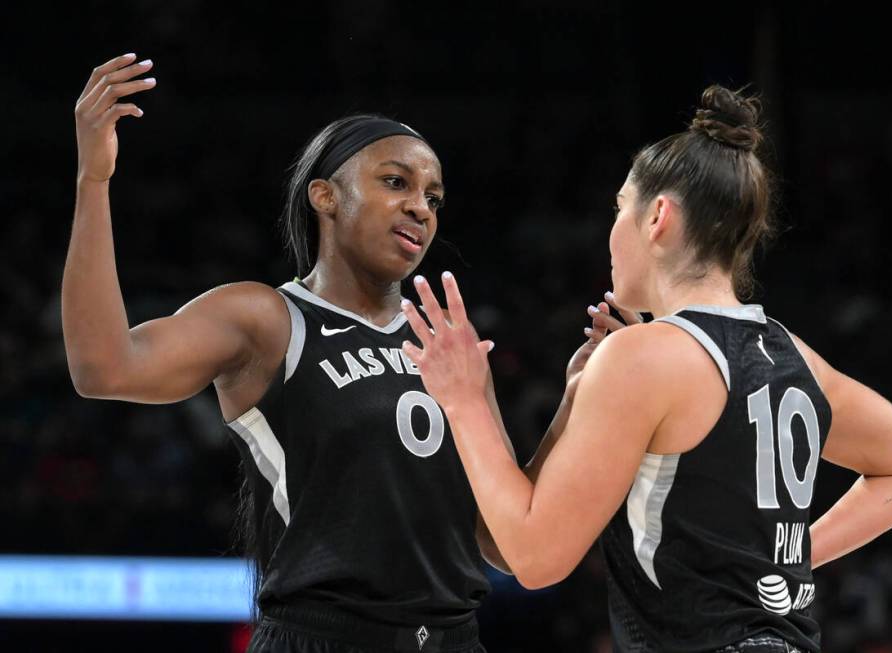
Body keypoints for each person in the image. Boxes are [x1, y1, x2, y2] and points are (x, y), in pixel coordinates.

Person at [399, 85, 892, 652]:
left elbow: (533, 560)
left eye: (619, 208)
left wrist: (464, 400)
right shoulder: (795, 353)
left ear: (658, 215)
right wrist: (793, 557)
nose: (612, 230)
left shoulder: (643, 356)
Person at [63, 52, 537, 653]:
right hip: (320, 637)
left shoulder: (449, 344)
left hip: (456, 639)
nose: (421, 206)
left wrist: (578, 399)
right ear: (325, 196)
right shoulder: (266, 319)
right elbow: (102, 367)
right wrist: (93, 180)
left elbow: (503, 543)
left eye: (434, 198)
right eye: (396, 182)